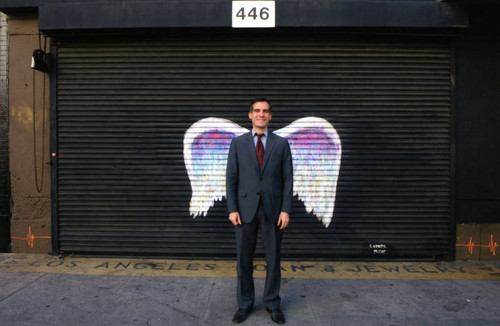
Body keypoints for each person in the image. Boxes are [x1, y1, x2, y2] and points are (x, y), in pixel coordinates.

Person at [226, 97, 293, 324]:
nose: (261, 114)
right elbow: (231, 178)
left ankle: (272, 304)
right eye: (257, 110)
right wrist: (232, 208)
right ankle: (245, 304)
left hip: (273, 211)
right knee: (244, 260)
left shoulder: (281, 144)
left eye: (265, 111)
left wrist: (285, 210)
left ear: (270, 116)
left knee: (273, 260)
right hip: (244, 211)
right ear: (250, 115)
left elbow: (288, 179)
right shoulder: (238, 144)